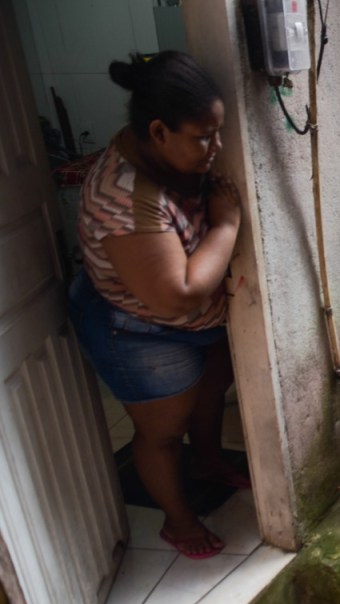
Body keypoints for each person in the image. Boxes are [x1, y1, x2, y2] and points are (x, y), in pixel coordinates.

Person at [68, 51, 244, 560]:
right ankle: (178, 521)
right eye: (204, 137)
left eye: (218, 132)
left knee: (209, 396)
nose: (217, 147)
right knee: (163, 433)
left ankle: (208, 462)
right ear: (159, 132)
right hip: (139, 330)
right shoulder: (124, 198)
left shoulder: (159, 154)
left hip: (193, 326)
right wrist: (227, 224)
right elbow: (178, 295)